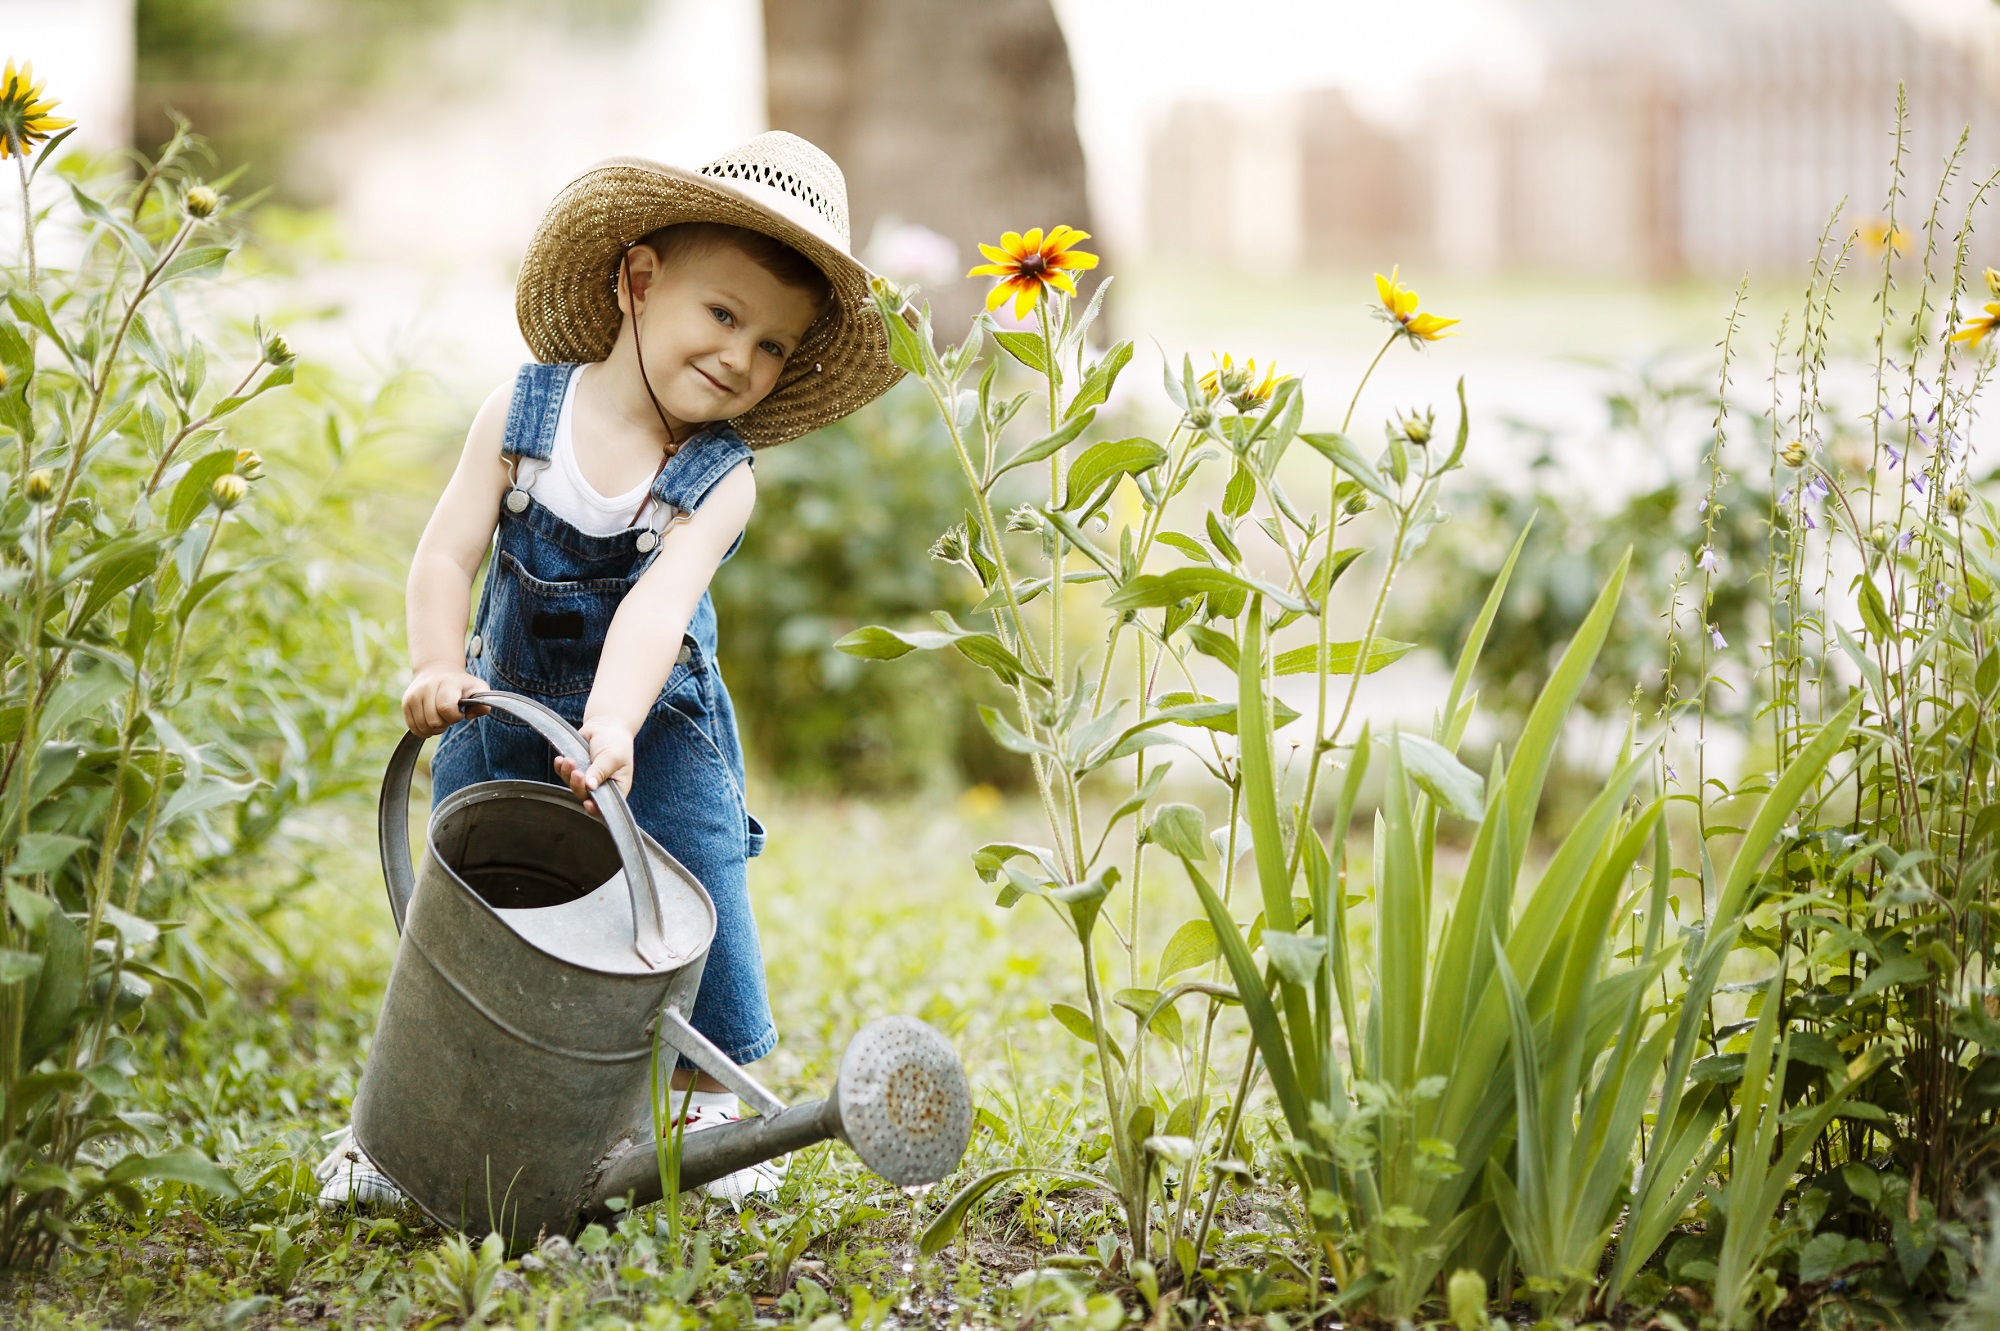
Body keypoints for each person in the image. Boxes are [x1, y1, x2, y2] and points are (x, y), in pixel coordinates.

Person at [316, 132, 900, 1210]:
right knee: (470, 910)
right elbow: (445, 551)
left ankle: (703, 1099)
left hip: (657, 722)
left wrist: (618, 725)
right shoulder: (524, 415)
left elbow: (655, 608)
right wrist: (437, 662)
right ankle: (398, 1128)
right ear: (638, 282)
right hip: (505, 707)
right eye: (722, 315)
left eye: (772, 344)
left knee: (696, 884)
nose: (740, 357)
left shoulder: (717, 478)